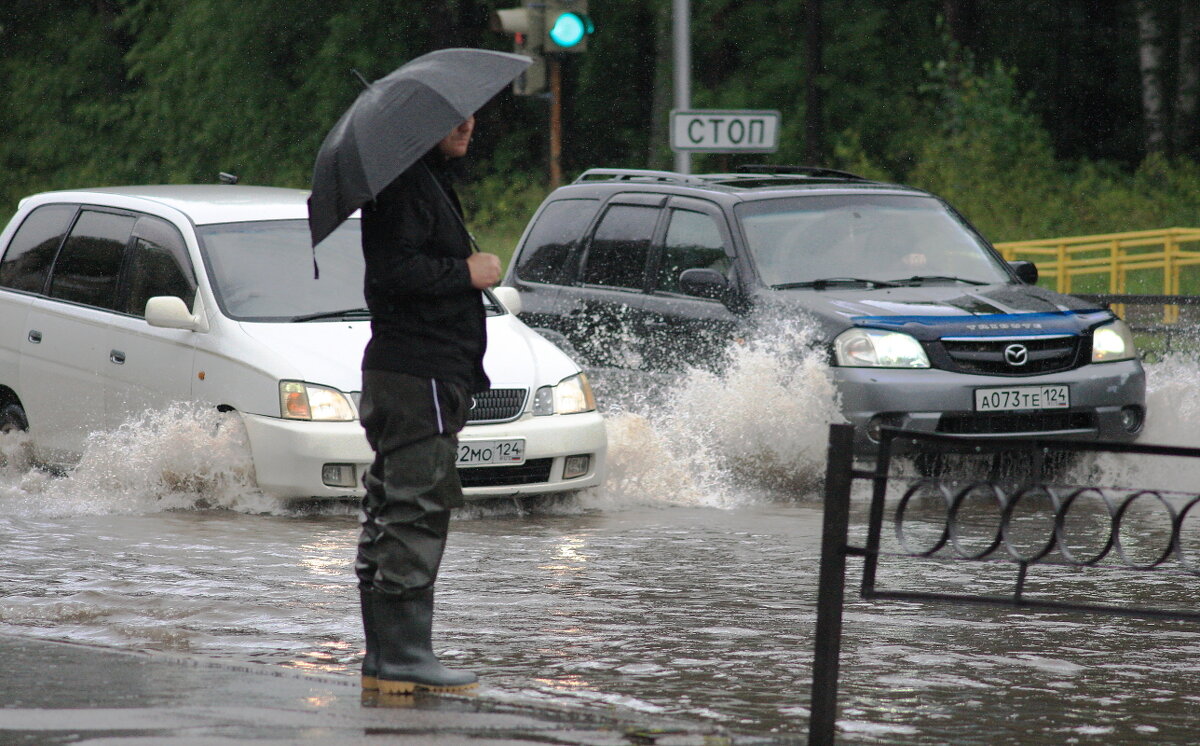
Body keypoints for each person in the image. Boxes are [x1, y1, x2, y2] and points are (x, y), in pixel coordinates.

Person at [355, 115, 500, 695]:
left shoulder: (420, 179)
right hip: (420, 375)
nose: (469, 124)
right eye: (453, 117)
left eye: (471, 112)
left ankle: (384, 657)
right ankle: (405, 656)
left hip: (413, 371)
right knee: (416, 507)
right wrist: (466, 272)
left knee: (391, 504)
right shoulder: (405, 185)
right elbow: (392, 272)